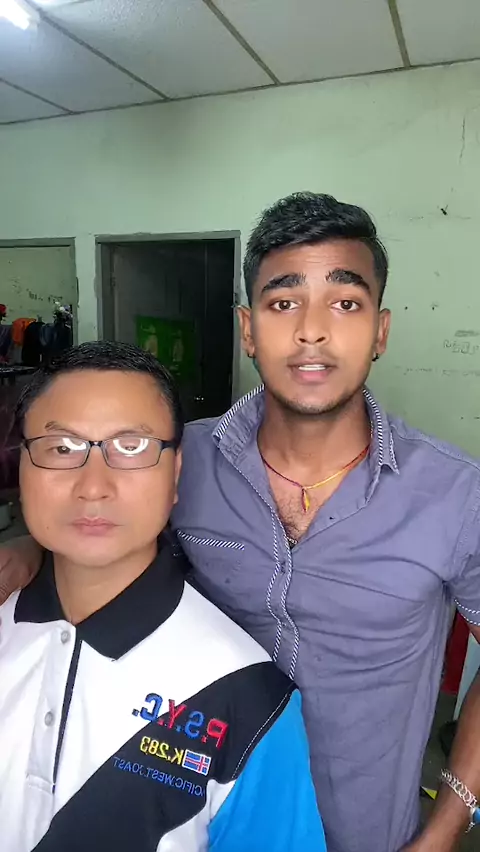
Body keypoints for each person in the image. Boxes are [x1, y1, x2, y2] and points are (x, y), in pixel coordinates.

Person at [2, 193, 480, 852]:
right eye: (284, 303)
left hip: (370, 836)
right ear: (248, 329)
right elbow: (94, 514)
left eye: (345, 303)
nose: (312, 331)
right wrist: (30, 549)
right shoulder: (180, 460)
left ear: (381, 331)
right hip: (203, 822)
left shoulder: (456, 493)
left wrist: (450, 820)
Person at [0, 341, 324, 852]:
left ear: (175, 476)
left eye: (132, 448)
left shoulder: (245, 698)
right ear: (21, 467)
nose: (93, 486)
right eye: (62, 448)